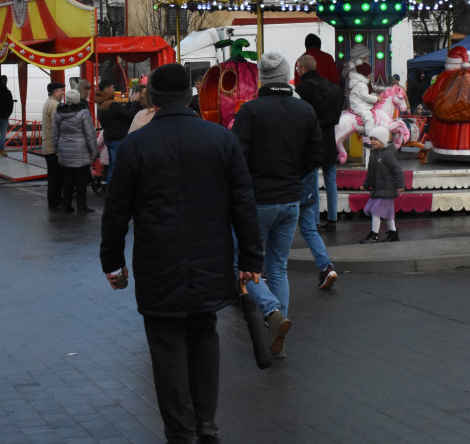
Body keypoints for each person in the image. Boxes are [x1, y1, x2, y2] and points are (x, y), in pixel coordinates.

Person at [100, 63, 263, 444]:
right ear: (190, 96)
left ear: (152, 99)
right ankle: (205, 420)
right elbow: (243, 201)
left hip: (158, 260)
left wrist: (112, 261)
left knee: (165, 341)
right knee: (204, 332)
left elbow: (116, 210)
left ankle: (179, 428)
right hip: (211, 258)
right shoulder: (221, 140)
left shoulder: (136, 145)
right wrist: (252, 258)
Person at [232, 51, 321, 358]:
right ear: (286, 76)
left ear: (262, 79)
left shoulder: (250, 112)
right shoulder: (304, 111)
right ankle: (276, 331)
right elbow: (316, 153)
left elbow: (236, 156)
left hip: (258, 201)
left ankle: (271, 313)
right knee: (278, 267)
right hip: (290, 198)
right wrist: (294, 173)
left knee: (242, 266)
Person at [295, 53, 345, 244]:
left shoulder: (303, 88)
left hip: (311, 138)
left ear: (304, 69)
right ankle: (332, 219)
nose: (298, 72)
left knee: (313, 179)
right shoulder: (332, 88)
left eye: (299, 68)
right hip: (329, 137)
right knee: (331, 179)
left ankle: (315, 221)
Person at [54, 89, 98, 214]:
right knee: (81, 180)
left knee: (67, 179)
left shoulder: (59, 113)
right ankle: (82, 206)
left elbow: (55, 133)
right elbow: (90, 134)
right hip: (80, 150)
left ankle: (66, 205)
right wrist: (94, 151)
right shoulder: (83, 113)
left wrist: (56, 149)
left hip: (64, 149)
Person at [358, 125, 405, 243]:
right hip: (378, 188)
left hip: (387, 188)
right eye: (371, 139)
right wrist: (365, 184)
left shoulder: (387, 155)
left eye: (375, 139)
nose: (372, 141)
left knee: (376, 211)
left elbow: (397, 169)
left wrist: (400, 185)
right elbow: (370, 173)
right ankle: (393, 234)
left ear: (383, 140)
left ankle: (374, 235)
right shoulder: (374, 155)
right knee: (388, 214)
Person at [96, 78, 141, 183]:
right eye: (112, 87)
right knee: (116, 168)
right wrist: (135, 103)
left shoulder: (102, 102)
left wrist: (130, 102)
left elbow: (123, 113)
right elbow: (129, 115)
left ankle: (109, 189)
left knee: (112, 166)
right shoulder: (111, 104)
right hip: (117, 137)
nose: (114, 89)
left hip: (110, 136)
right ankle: (114, 191)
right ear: (107, 89)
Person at [42, 82, 66, 209]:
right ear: (55, 92)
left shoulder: (49, 103)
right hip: (53, 147)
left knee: (53, 176)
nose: (63, 93)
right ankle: (55, 201)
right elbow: (55, 126)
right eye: (61, 91)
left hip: (48, 145)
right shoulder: (55, 105)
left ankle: (54, 199)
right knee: (56, 176)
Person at [348, 62, 378, 139]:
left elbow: (366, 94)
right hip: (359, 105)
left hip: (361, 103)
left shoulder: (362, 83)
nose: (370, 75)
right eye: (369, 73)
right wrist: (377, 98)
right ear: (364, 74)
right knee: (369, 118)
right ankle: (368, 138)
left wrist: (376, 96)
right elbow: (365, 96)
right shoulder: (361, 84)